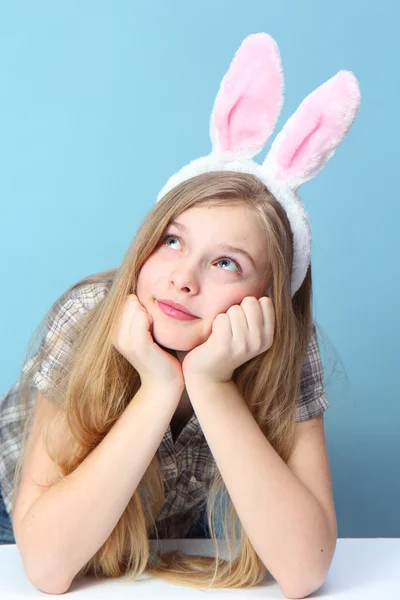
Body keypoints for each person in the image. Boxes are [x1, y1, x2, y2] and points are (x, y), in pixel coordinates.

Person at [0, 33, 360, 596]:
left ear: (268, 297)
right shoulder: (88, 316)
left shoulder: (286, 344)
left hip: (158, 529)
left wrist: (210, 386)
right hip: (29, 521)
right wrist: (156, 387)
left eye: (225, 263)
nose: (183, 278)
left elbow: (304, 570)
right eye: (172, 241)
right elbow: (46, 568)